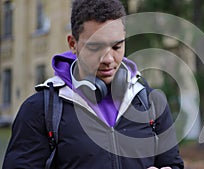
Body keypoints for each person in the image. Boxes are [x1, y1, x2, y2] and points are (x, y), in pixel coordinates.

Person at [3, 0, 184, 168]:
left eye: (116, 47)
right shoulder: (41, 110)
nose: (108, 59)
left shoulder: (152, 103)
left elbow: (173, 164)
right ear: (73, 44)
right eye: (95, 47)